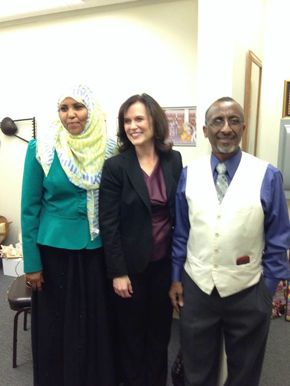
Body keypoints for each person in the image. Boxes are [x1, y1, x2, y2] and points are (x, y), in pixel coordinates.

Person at [169, 96, 290, 386]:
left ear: (244, 128)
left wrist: (267, 290)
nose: (226, 128)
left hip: (248, 289)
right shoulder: (189, 174)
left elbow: (278, 238)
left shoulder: (267, 175)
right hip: (197, 287)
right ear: (205, 130)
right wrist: (176, 278)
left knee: (245, 371)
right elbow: (181, 233)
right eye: (217, 121)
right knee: (197, 369)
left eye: (234, 121)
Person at [21, 84, 117, 386]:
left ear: (91, 109)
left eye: (78, 107)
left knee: (94, 322)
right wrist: (32, 264)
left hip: (96, 249)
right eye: (64, 108)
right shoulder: (43, 149)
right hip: (54, 253)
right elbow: (29, 208)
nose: (71, 115)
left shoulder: (110, 148)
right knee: (57, 324)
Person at [99, 93, 183, 386]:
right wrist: (118, 272)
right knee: (132, 337)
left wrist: (178, 272)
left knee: (160, 336)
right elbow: (108, 224)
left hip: (163, 266)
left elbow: (178, 215)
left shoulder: (173, 160)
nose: (132, 126)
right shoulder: (116, 167)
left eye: (139, 119)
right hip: (130, 268)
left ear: (153, 122)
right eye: (127, 121)